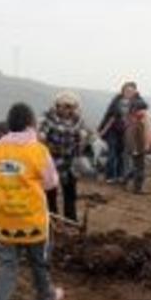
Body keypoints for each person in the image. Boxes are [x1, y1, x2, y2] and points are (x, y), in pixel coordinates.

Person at [0, 103, 64, 300]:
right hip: (33, 221)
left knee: (6, 266)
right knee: (39, 262)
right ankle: (46, 299)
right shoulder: (38, 151)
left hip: (4, 221)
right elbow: (51, 183)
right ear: (31, 124)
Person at [39, 91, 87, 222]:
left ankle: (70, 220)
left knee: (70, 192)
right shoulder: (48, 117)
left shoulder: (78, 120)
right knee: (50, 191)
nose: (67, 109)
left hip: (70, 160)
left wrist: (82, 141)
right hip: (51, 160)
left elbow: (83, 136)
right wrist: (46, 145)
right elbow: (41, 137)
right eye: (64, 106)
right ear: (57, 105)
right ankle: (52, 219)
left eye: (70, 107)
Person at [98, 82, 144, 183]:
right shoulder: (116, 102)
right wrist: (102, 130)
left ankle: (120, 175)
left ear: (135, 92)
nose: (128, 93)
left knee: (122, 154)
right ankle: (110, 176)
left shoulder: (138, 103)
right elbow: (110, 116)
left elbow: (143, 110)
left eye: (131, 91)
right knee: (112, 152)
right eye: (127, 90)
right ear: (122, 91)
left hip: (127, 132)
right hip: (113, 130)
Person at [121, 100, 150, 194]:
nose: (145, 112)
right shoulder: (134, 122)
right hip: (136, 149)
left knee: (138, 168)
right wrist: (134, 149)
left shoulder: (139, 121)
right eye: (143, 110)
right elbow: (130, 137)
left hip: (139, 148)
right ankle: (136, 187)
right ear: (136, 110)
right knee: (138, 169)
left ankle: (131, 184)